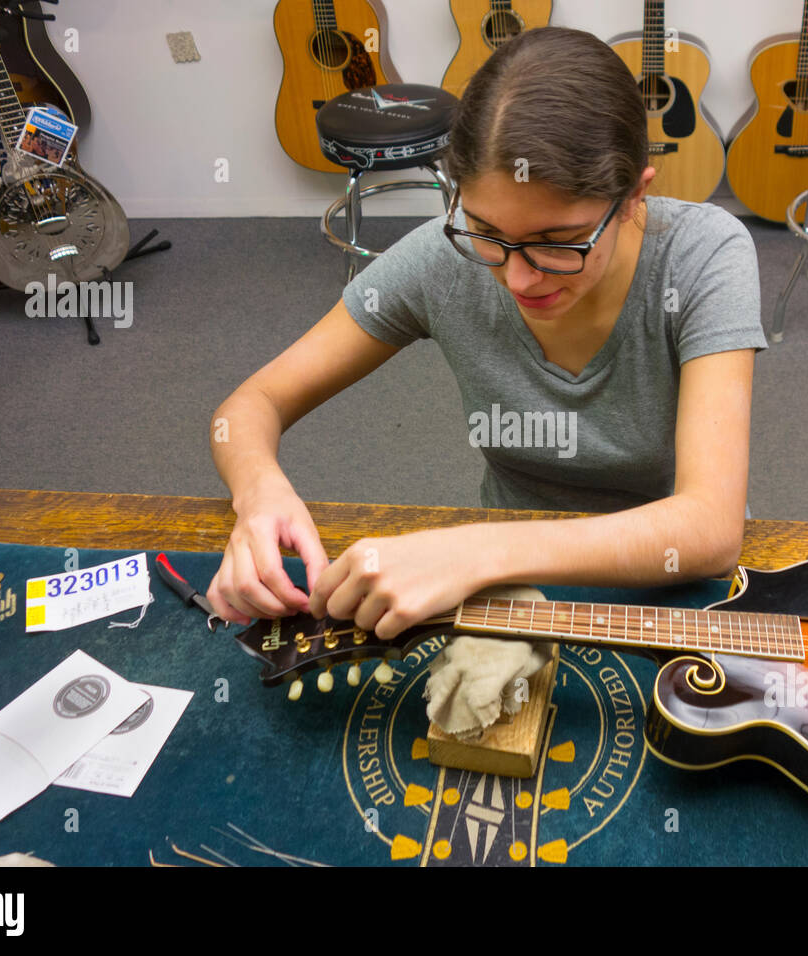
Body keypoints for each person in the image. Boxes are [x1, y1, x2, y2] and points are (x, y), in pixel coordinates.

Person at [206, 27, 765, 640]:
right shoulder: (441, 261)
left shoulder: (704, 255)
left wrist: (470, 552)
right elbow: (248, 406)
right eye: (486, 231)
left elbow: (709, 531)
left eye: (557, 243)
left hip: (678, 589)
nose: (519, 277)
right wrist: (258, 495)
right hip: (506, 591)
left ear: (634, 195)